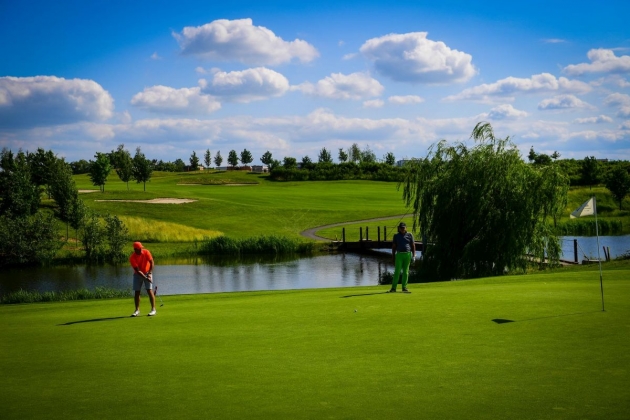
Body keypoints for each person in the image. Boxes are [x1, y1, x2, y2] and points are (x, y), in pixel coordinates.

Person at [129, 241, 156, 316]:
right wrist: (145, 277)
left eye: (141, 248)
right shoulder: (132, 258)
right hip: (138, 275)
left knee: (149, 290)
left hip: (148, 272)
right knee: (137, 292)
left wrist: (150, 273)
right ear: (135, 249)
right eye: (139, 248)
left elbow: (152, 262)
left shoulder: (146, 252)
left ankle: (153, 309)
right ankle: (137, 310)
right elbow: (137, 271)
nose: (141, 249)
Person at [389, 222, 416, 293]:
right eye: (401, 228)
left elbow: (413, 245)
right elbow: (394, 247)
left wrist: (413, 256)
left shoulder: (410, 235)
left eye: (403, 227)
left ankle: (404, 287)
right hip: (399, 255)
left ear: (406, 228)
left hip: (407, 254)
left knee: (406, 272)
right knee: (397, 272)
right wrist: (393, 256)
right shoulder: (396, 236)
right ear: (399, 228)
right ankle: (393, 288)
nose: (402, 229)